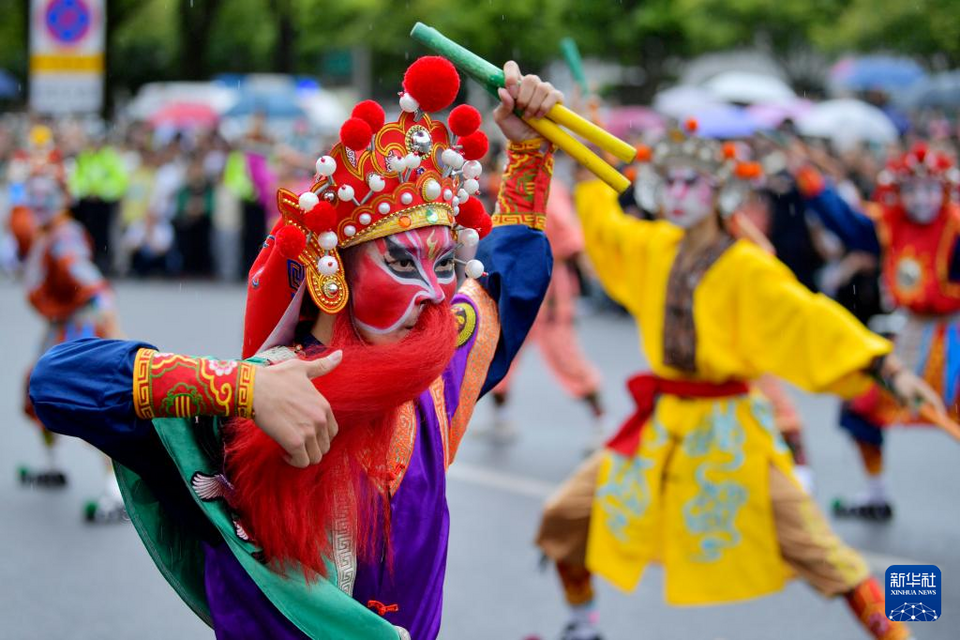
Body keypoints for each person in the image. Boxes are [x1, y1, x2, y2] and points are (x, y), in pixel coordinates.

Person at [29, 58, 559, 639]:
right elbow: (59, 382)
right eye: (403, 263)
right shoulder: (247, 408)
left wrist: (530, 152)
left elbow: (500, 286)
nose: (435, 295)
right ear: (336, 274)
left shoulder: (430, 381)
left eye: (444, 264)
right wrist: (245, 390)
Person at [535, 121, 939, 640]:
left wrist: (886, 368)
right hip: (660, 428)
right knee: (565, 515)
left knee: (821, 553)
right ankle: (581, 625)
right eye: (672, 181)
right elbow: (606, 232)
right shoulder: (655, 245)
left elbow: (806, 317)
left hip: (729, 435)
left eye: (693, 183)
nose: (679, 193)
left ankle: (903, 632)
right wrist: (587, 166)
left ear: (722, 191)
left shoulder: (747, 267)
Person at [797, 142, 960, 520]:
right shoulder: (892, 224)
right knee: (860, 407)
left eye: (930, 189)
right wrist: (810, 178)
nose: (922, 199)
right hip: (913, 338)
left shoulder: (955, 226)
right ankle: (876, 491)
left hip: (954, 338)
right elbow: (848, 223)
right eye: (913, 190)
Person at [17, 155, 125, 522]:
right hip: (61, 325)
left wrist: (112, 330)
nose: (38, 201)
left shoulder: (65, 236)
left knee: (87, 403)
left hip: (79, 327)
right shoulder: (47, 234)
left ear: (62, 198)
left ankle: (115, 489)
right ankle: (51, 462)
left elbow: (92, 284)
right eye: (33, 194)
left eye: (46, 194)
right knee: (38, 392)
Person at [487, 177, 605, 447]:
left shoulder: (549, 190)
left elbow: (570, 241)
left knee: (566, 357)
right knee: (501, 354)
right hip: (517, 286)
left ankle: (600, 420)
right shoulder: (514, 184)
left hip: (549, 290)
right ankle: (500, 416)